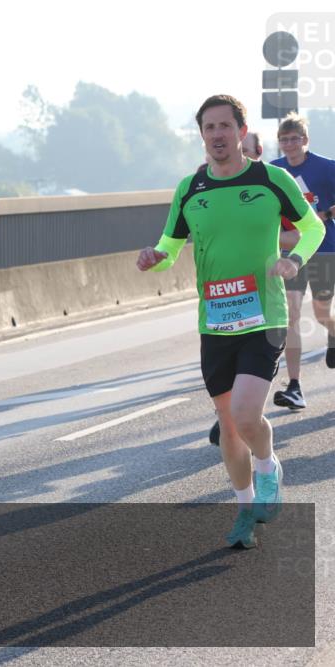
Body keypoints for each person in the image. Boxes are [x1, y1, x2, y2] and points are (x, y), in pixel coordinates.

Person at [137, 95, 324, 548]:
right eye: (209, 127)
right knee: (227, 422)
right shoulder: (190, 189)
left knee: (245, 414)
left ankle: (267, 466)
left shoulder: (270, 179)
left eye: (225, 126)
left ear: (241, 131)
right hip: (216, 320)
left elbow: (313, 227)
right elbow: (170, 246)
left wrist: (294, 260)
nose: (217, 134)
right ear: (201, 135)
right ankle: (244, 509)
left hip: (264, 315)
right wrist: (156, 258)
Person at [207, 130, 300, 445]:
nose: (237, 155)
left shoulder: (269, 183)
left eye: (244, 150)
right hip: (225, 298)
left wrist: (266, 237)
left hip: (272, 282)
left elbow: (298, 233)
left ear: (257, 152)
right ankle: (229, 414)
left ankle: (290, 385)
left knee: (299, 315)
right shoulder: (205, 184)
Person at [270, 112, 335, 411]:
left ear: (305, 140)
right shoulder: (274, 171)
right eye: (284, 140)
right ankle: (294, 386)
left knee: (321, 312)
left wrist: (327, 214)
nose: (289, 145)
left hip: (324, 248)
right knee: (291, 315)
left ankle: (332, 332)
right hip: (290, 252)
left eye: (294, 139)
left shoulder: (326, 167)